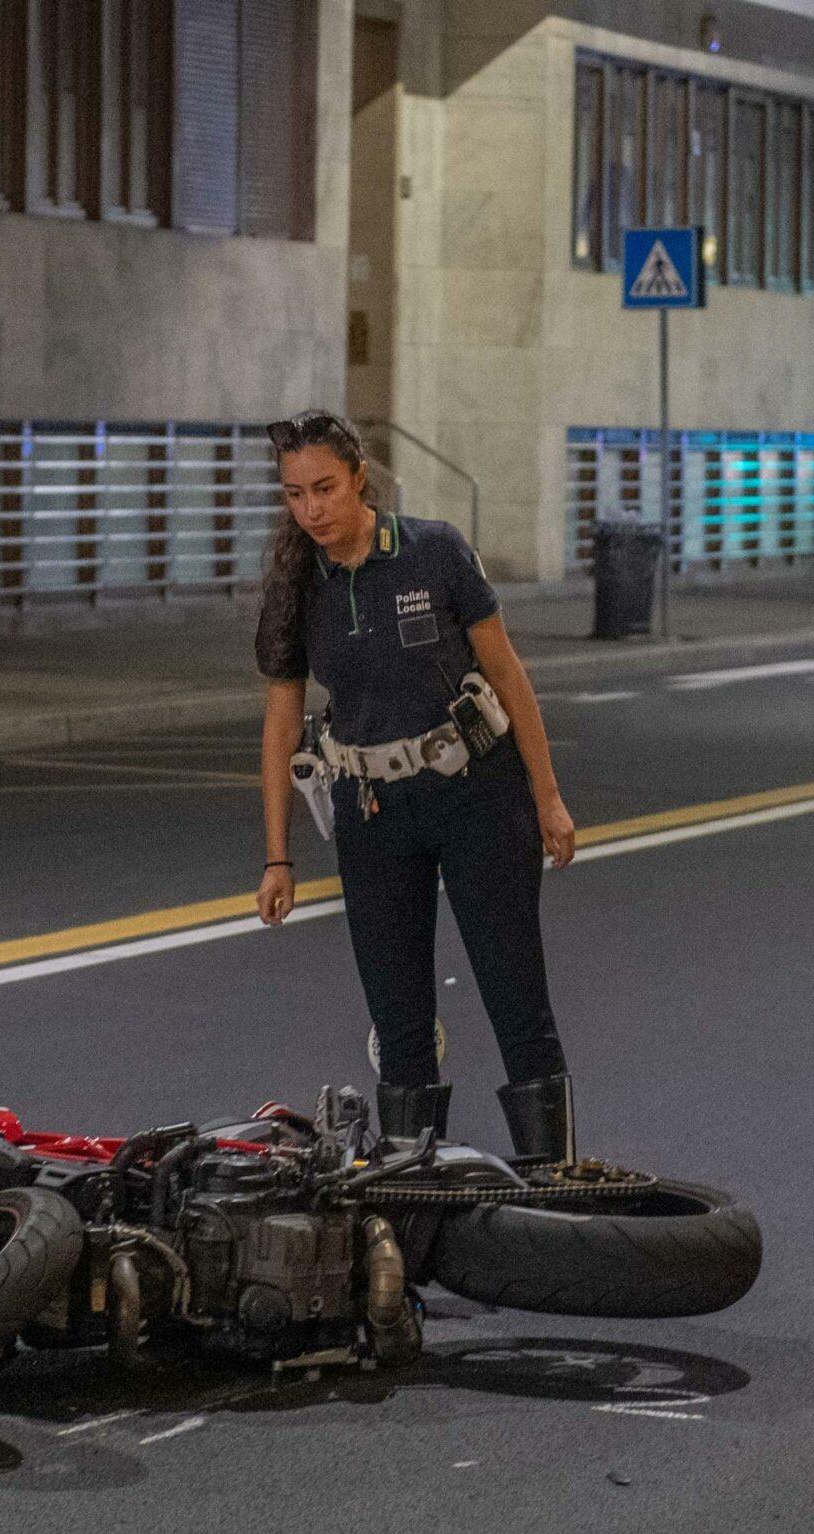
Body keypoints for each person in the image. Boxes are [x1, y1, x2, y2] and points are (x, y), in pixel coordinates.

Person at [250, 409, 582, 1164]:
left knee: (514, 997)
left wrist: (548, 797)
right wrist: (278, 857)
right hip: (371, 813)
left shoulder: (433, 552)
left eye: (326, 489)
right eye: (296, 495)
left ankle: (556, 1181)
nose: (313, 511)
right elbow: (280, 725)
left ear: (360, 476)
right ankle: (411, 1199)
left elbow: (507, 674)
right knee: (399, 1021)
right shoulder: (296, 587)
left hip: (479, 797)